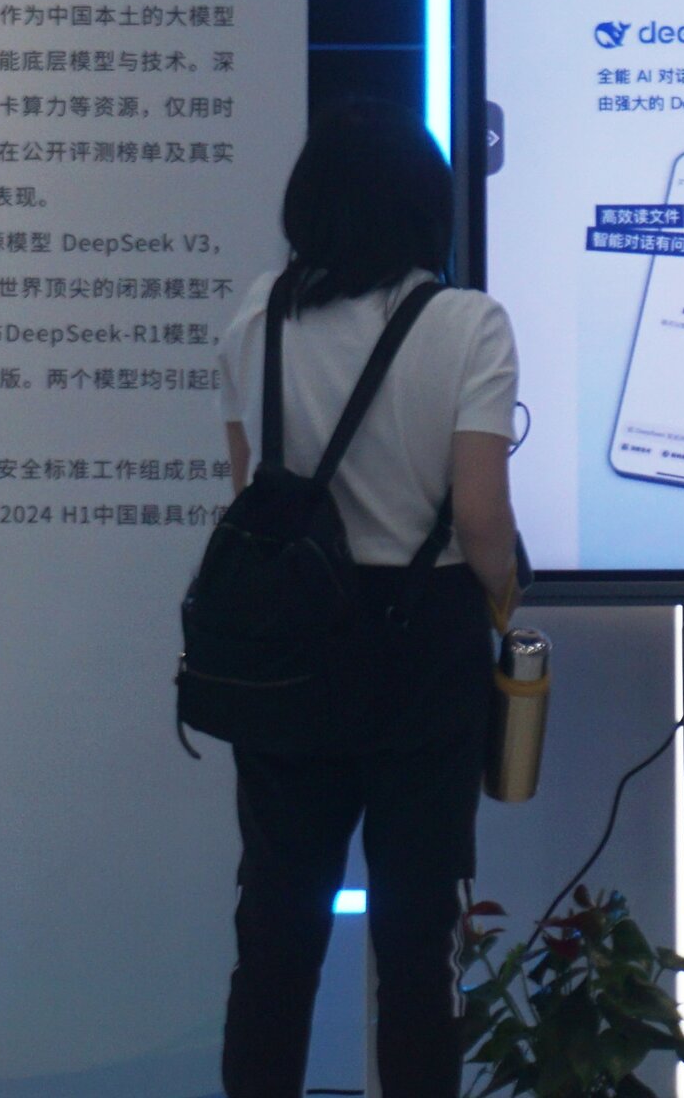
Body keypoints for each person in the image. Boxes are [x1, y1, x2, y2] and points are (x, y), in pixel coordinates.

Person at [213, 97, 519, 1098]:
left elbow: (250, 500)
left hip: (288, 644)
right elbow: (481, 517)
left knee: (275, 936)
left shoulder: (257, 317)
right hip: (423, 644)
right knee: (416, 947)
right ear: (428, 207)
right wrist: (505, 606)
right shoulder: (467, 324)